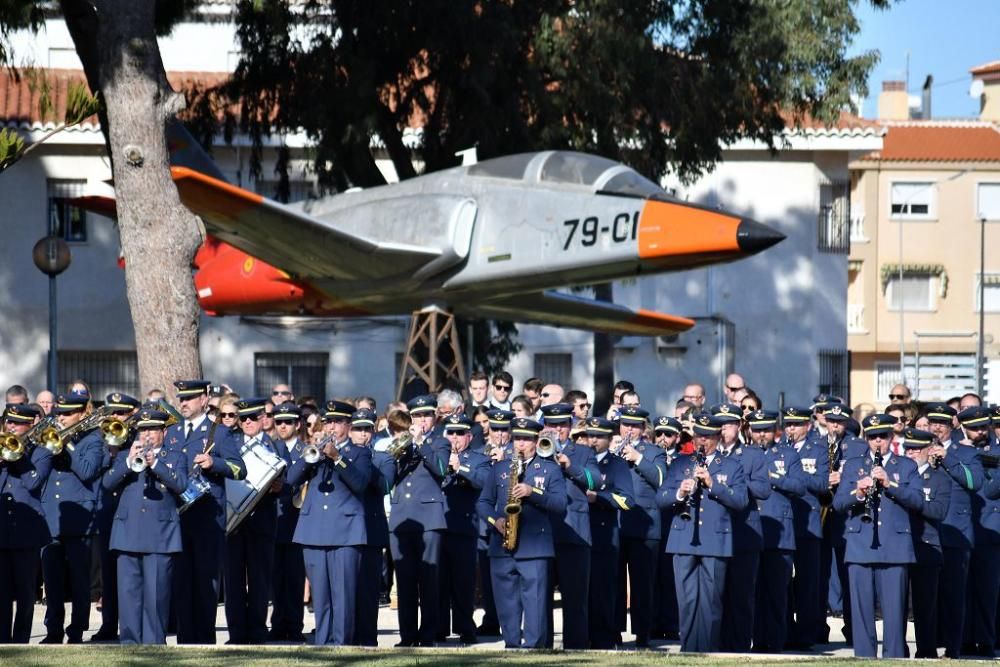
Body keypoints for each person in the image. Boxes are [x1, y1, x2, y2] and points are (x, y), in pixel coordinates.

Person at [834, 413, 924, 658]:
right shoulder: (854, 465)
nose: (877, 442)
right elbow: (839, 503)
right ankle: (864, 658)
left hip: (894, 547)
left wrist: (890, 485)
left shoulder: (905, 465)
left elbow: (917, 500)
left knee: (894, 615)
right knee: (862, 614)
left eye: (882, 436)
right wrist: (859, 492)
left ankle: (894, 659)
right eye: (872, 437)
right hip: (861, 545)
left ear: (891, 437)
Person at [167, 379, 247, 645]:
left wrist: (215, 463)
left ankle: (203, 641)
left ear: (204, 399)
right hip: (178, 517)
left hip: (207, 518)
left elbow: (239, 469)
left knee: (205, 583)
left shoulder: (218, 432)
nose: (184, 403)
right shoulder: (174, 431)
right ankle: (185, 641)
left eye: (189, 398)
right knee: (181, 583)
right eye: (181, 399)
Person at [659, 413, 747, 652]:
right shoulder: (680, 463)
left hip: (715, 540)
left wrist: (712, 484)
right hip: (683, 537)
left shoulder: (731, 465)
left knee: (711, 602)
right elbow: (661, 498)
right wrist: (679, 492)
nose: (702, 441)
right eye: (699, 435)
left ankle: (708, 649)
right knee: (686, 601)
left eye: (708, 437)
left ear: (718, 437)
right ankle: (688, 650)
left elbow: (740, 501)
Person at [288, 402, 373, 645]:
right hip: (313, 530)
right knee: (321, 597)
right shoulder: (314, 452)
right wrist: (311, 455)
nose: (332, 427)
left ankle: (341, 645)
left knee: (343, 596)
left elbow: (360, 483)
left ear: (348, 425)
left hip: (346, 532)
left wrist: (337, 458)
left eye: (337, 422)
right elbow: (291, 479)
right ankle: (321, 645)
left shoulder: (359, 453)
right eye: (328, 422)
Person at [477, 417, 567, 648]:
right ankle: (511, 645)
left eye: (527, 439)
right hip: (502, 545)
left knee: (535, 602)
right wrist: (495, 520)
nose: (521, 444)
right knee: (506, 602)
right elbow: (483, 503)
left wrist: (532, 491)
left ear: (537, 441)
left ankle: (534, 648)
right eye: (518, 438)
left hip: (535, 547)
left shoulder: (550, 469)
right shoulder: (499, 468)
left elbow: (559, 504)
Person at [102, 407, 187, 644]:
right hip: (128, 533)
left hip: (161, 535)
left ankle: (154, 643)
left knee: (156, 596)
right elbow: (107, 483)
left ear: (163, 431)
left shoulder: (175, 456)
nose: (147, 435)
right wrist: (129, 462)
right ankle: (129, 643)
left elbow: (181, 485)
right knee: (128, 595)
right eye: (142, 430)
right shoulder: (124, 456)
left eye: (152, 429)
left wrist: (156, 464)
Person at [40, 391, 104, 644]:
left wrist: (66, 443)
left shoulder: (93, 439)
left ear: (81, 413)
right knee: (52, 581)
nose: (62, 418)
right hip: (53, 516)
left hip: (79, 519)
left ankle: (76, 631)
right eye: (60, 413)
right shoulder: (48, 437)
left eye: (67, 414)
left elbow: (87, 471)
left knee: (79, 582)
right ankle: (53, 630)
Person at [225, 398, 289, 645]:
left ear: (263, 419)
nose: (248, 422)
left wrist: (280, 487)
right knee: (234, 581)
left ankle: (258, 631)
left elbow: (289, 484)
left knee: (260, 581)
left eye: (253, 418)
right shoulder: (230, 444)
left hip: (262, 521)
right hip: (234, 523)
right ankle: (237, 634)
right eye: (244, 418)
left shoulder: (276, 447)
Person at [924, 402, 984, 658]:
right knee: (926, 596)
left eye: (943, 423)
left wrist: (947, 459)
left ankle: (953, 646)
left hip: (955, 532)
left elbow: (975, 482)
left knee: (953, 594)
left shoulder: (966, 453)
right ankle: (927, 646)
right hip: (927, 531)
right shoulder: (918, 448)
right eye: (933, 423)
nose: (937, 428)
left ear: (953, 426)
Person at [389, 395, 449, 647]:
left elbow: (441, 469)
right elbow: (390, 477)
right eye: (416, 416)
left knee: (429, 580)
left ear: (434, 416)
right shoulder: (402, 443)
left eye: (426, 415)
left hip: (429, 518)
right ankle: (407, 636)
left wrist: (421, 443)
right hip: (402, 516)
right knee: (405, 581)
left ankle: (428, 635)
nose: (421, 420)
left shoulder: (440, 442)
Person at [540, 402, 599, 650]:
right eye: (551, 425)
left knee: (575, 599)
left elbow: (595, 480)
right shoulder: (535, 450)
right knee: (539, 598)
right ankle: (539, 646)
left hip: (575, 531)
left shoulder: (583, 452)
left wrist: (569, 466)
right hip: (541, 533)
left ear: (570, 426)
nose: (556, 430)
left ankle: (575, 647)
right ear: (544, 426)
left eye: (562, 425)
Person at [712, 403, 770, 653]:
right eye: (720, 424)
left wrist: (735, 483)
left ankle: (740, 647)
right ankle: (716, 644)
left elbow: (764, 489)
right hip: (714, 533)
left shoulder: (752, 455)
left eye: (730, 423)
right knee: (716, 595)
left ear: (740, 426)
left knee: (742, 595)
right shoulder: (709, 455)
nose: (725, 428)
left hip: (743, 531)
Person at [749, 409, 805, 653]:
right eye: (757, 429)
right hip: (751, 530)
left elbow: (800, 486)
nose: (762, 434)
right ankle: (755, 639)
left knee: (776, 593)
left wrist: (771, 478)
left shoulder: (788, 454)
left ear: (775, 431)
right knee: (751, 591)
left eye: (767, 430)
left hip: (779, 534)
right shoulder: (744, 454)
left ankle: (775, 642)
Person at [91, 393, 141, 643]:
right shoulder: (103, 439)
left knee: (132, 574)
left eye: (122, 413)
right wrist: (109, 449)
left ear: (134, 413)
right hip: (108, 512)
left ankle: (135, 627)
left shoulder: (139, 439)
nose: (117, 417)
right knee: (108, 574)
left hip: (133, 514)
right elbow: (93, 472)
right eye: (113, 413)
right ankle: (109, 625)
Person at [0, 404, 53, 643]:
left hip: (27, 531)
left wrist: (17, 457)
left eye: (16, 423)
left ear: (30, 425)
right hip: (2, 529)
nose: (10, 426)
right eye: (8, 422)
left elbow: (34, 483)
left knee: (24, 593)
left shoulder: (41, 450)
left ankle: (21, 641)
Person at [615, 406, 666, 648]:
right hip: (617, 524)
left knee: (643, 585)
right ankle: (613, 631)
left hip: (645, 526)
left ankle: (643, 635)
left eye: (635, 425)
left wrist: (638, 458)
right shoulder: (612, 450)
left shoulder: (654, 452)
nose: (630, 429)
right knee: (613, 583)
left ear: (643, 429)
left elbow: (662, 480)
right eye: (626, 425)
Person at [437, 414, 490, 644]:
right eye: (451, 433)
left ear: (469, 436)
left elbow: (484, 481)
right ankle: (437, 628)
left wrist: (461, 468)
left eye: (460, 433)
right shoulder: (437, 456)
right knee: (437, 582)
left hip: (465, 527)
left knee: (463, 582)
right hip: (439, 525)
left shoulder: (479, 459)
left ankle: (465, 628)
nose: (455, 438)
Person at [583, 417, 635, 649]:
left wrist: (599, 498)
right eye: (590, 435)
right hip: (579, 533)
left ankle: (605, 637)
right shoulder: (580, 460)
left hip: (604, 536)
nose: (593, 440)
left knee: (603, 590)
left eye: (599, 436)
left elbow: (627, 501)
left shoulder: (616, 465)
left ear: (608, 438)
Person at [901, 427, 951, 659]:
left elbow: (939, 511)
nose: (910, 453)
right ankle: (897, 648)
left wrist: (912, 501)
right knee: (897, 604)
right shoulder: (896, 473)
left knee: (925, 606)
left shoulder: (939, 477)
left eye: (916, 449)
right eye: (907, 448)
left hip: (926, 546)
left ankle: (926, 650)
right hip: (899, 546)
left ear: (929, 450)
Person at [782, 405, 829, 650]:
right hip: (782, 523)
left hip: (807, 525)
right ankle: (785, 630)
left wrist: (794, 476)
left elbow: (822, 483)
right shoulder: (778, 449)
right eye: (788, 424)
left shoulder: (817, 450)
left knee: (807, 583)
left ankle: (806, 635)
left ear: (807, 426)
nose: (791, 429)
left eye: (797, 424)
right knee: (782, 583)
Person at [959, 406, 1000, 657]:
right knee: (961, 590)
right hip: (962, 528)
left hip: (989, 529)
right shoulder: (957, 449)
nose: (980, 431)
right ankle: (962, 638)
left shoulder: (996, 450)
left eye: (984, 426)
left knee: (987, 590)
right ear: (963, 427)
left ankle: (986, 640)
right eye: (974, 428)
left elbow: (989, 490)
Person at [268, 402, 307, 642]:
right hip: (275, 519)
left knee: (294, 577)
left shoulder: (306, 450)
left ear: (298, 424)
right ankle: (277, 624)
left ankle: (294, 625)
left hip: (298, 522)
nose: (283, 426)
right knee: (276, 579)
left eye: (288, 422)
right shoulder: (271, 447)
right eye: (279, 422)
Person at [357, 408, 395, 647]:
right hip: (341, 530)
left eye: (367, 429)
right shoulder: (338, 455)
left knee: (369, 590)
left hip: (370, 530)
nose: (362, 434)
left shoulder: (382, 457)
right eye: (358, 429)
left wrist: (362, 461)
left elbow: (386, 485)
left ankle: (367, 636)